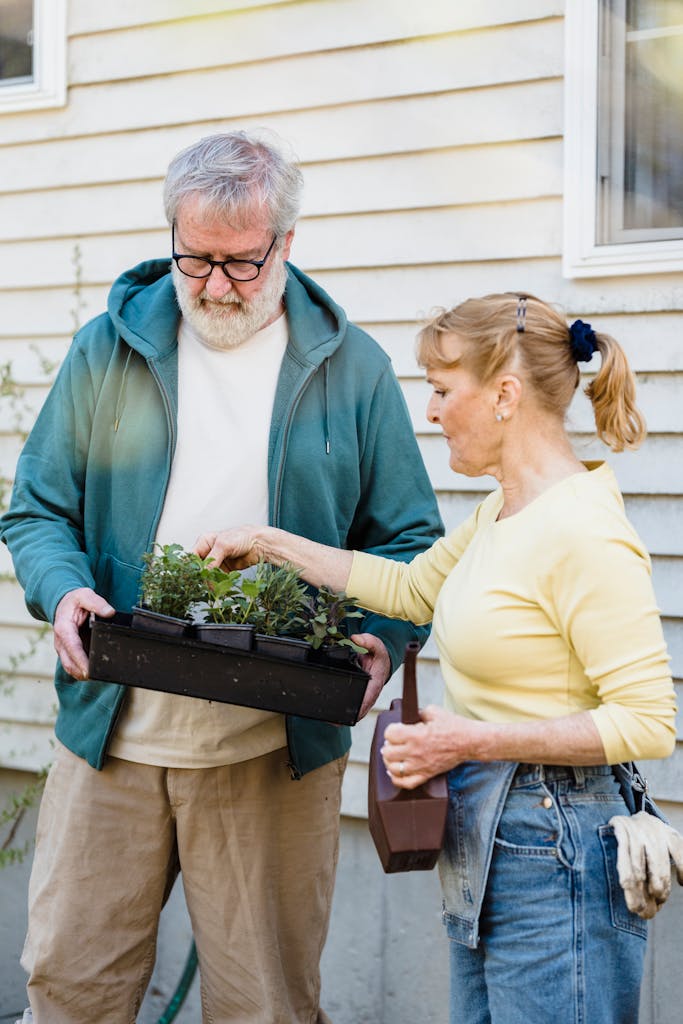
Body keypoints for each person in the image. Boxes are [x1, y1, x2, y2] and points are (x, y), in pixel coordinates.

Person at [0, 130, 443, 1024]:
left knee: (266, 1005)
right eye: (192, 258)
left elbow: (409, 539)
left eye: (239, 264)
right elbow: (37, 509)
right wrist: (63, 591)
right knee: (70, 985)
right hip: (112, 731)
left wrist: (383, 644)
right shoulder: (108, 347)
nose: (211, 286)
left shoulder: (351, 369)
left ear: (285, 243)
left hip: (271, 746)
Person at [195, 292, 678, 1024]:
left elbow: (647, 722)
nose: (429, 411)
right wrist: (265, 543)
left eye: (443, 390)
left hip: (556, 847)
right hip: (492, 838)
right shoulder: (502, 512)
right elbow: (409, 587)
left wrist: (471, 739)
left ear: (505, 395)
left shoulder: (581, 530)